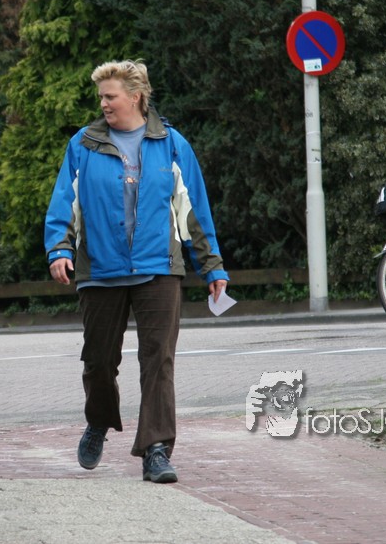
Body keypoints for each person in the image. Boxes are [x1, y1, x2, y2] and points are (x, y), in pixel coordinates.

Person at [44, 59, 229, 484]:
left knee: (158, 361)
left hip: (159, 267)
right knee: (98, 361)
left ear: (135, 96)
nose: (103, 104)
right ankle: (99, 420)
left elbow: (193, 211)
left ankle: (156, 450)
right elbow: (63, 203)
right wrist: (59, 249)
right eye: (101, 97)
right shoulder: (83, 145)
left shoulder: (172, 144)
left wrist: (212, 265)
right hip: (99, 269)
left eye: (110, 96)